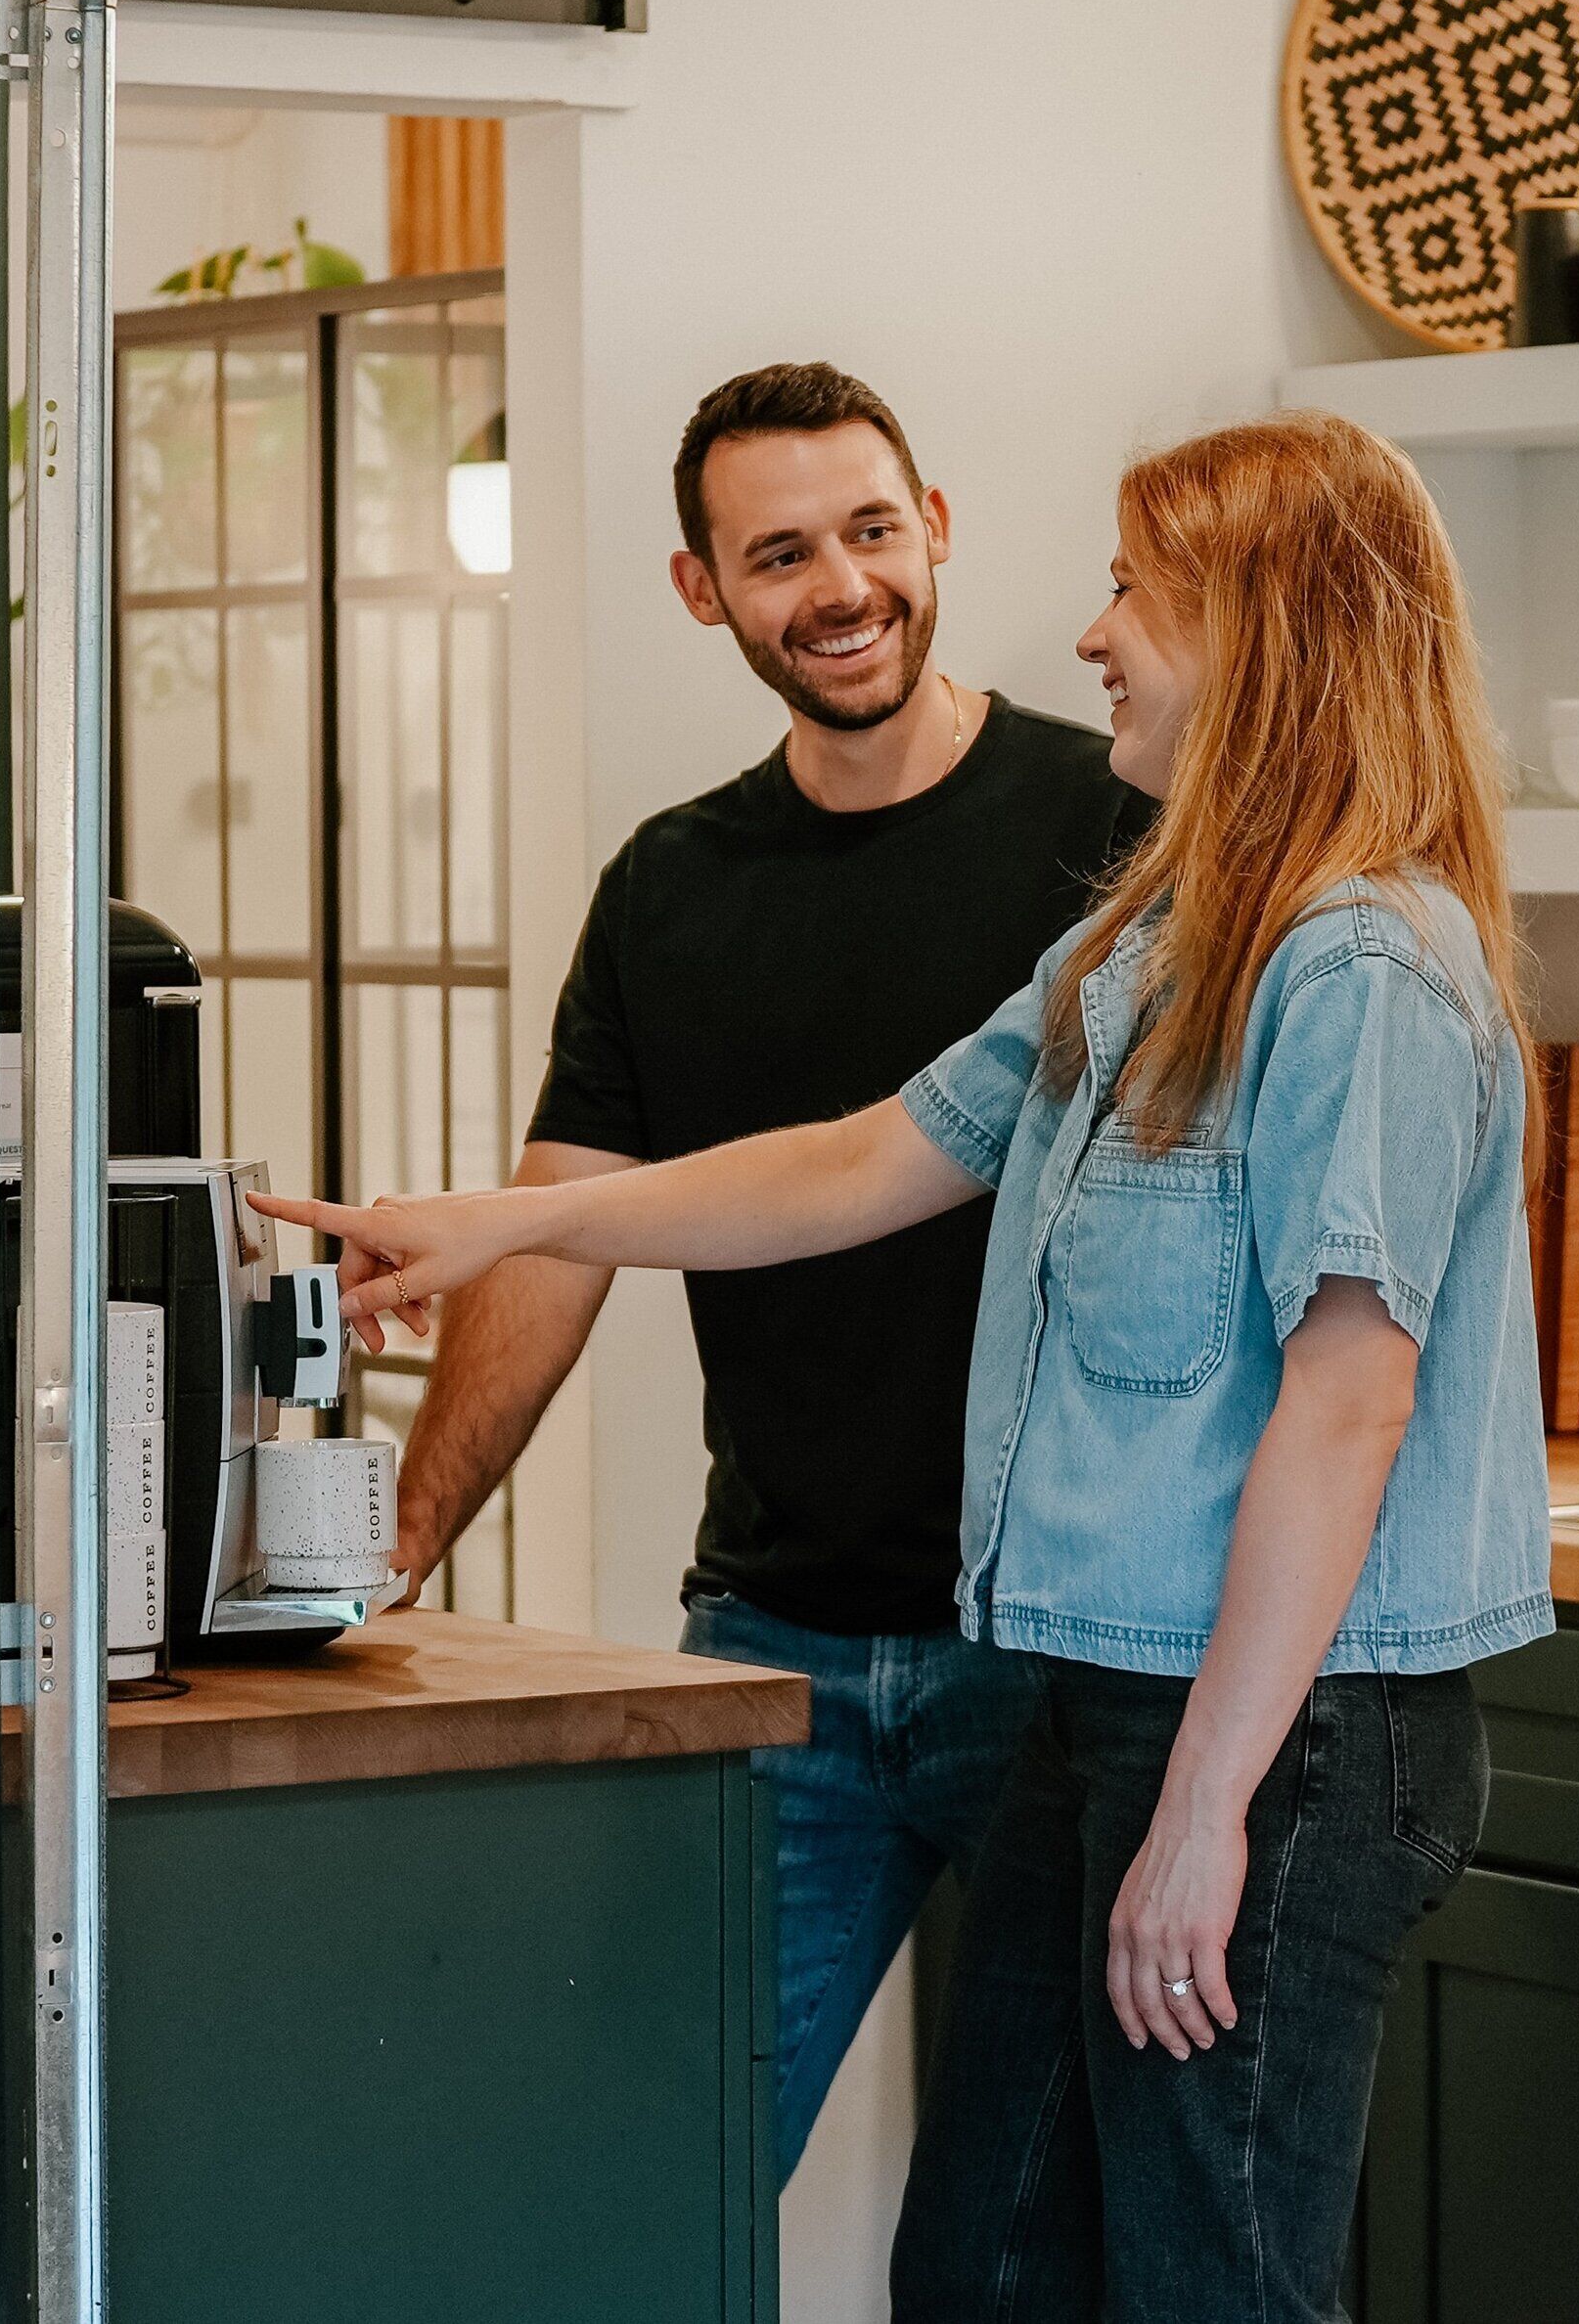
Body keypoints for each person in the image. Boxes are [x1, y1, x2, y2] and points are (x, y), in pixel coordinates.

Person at [260, 408, 1551, 2318]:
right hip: (1106, 1699)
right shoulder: (1155, 942)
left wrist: (1209, 1810)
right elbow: (867, 1156)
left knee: (1214, 2282)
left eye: (1137, 593)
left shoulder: (1358, 968)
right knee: (983, 2268)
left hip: (1285, 1735)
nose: (1096, 633)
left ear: (1261, 639)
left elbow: (1348, 1401)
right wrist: (505, 1221)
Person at [377, 360, 1152, 2174]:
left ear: (936, 531)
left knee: (1016, 2242)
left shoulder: (1115, 838)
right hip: (774, 1648)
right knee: (657, 2175)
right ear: (703, 588)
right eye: (782, 553)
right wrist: (403, 1542)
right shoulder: (671, 886)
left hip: (1047, 1655)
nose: (842, 587)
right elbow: (557, 1239)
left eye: (873, 531)